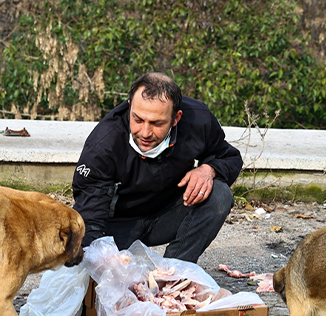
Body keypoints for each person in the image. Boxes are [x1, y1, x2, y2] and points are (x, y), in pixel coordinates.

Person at [72, 72, 243, 263]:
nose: (145, 132)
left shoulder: (198, 120)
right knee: (89, 255)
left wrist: (208, 169)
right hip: (117, 224)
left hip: (167, 214)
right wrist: (101, 260)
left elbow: (229, 156)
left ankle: (174, 272)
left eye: (157, 123)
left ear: (176, 118)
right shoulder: (103, 145)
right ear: (130, 107)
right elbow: (90, 215)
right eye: (137, 119)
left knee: (219, 195)